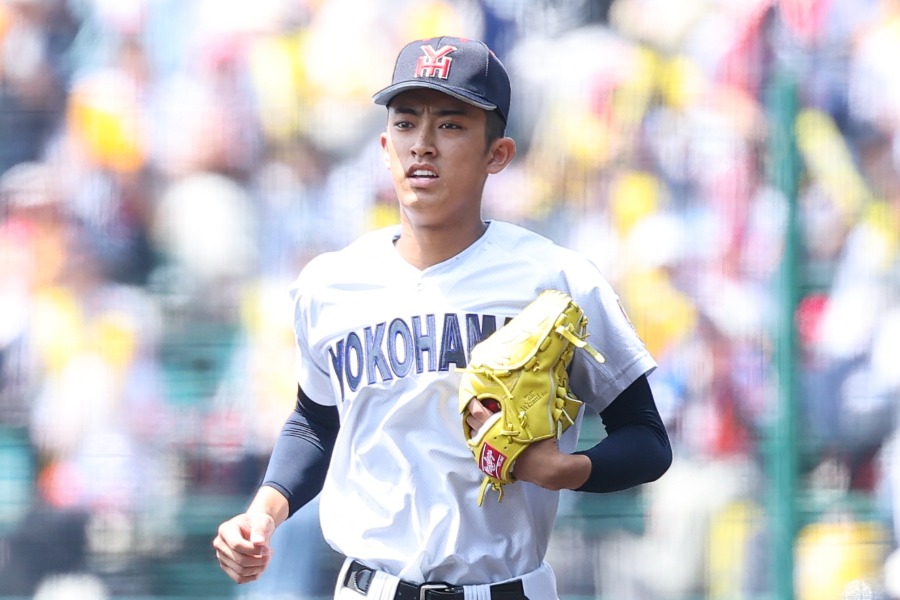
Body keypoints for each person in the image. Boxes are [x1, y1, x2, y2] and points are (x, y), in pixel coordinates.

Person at [213, 35, 672, 600]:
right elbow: (315, 420)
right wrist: (264, 510)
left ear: (496, 154)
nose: (423, 145)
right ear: (384, 146)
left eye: (451, 125)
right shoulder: (330, 284)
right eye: (406, 124)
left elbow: (648, 439)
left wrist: (565, 469)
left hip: (507, 588)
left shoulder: (556, 280)